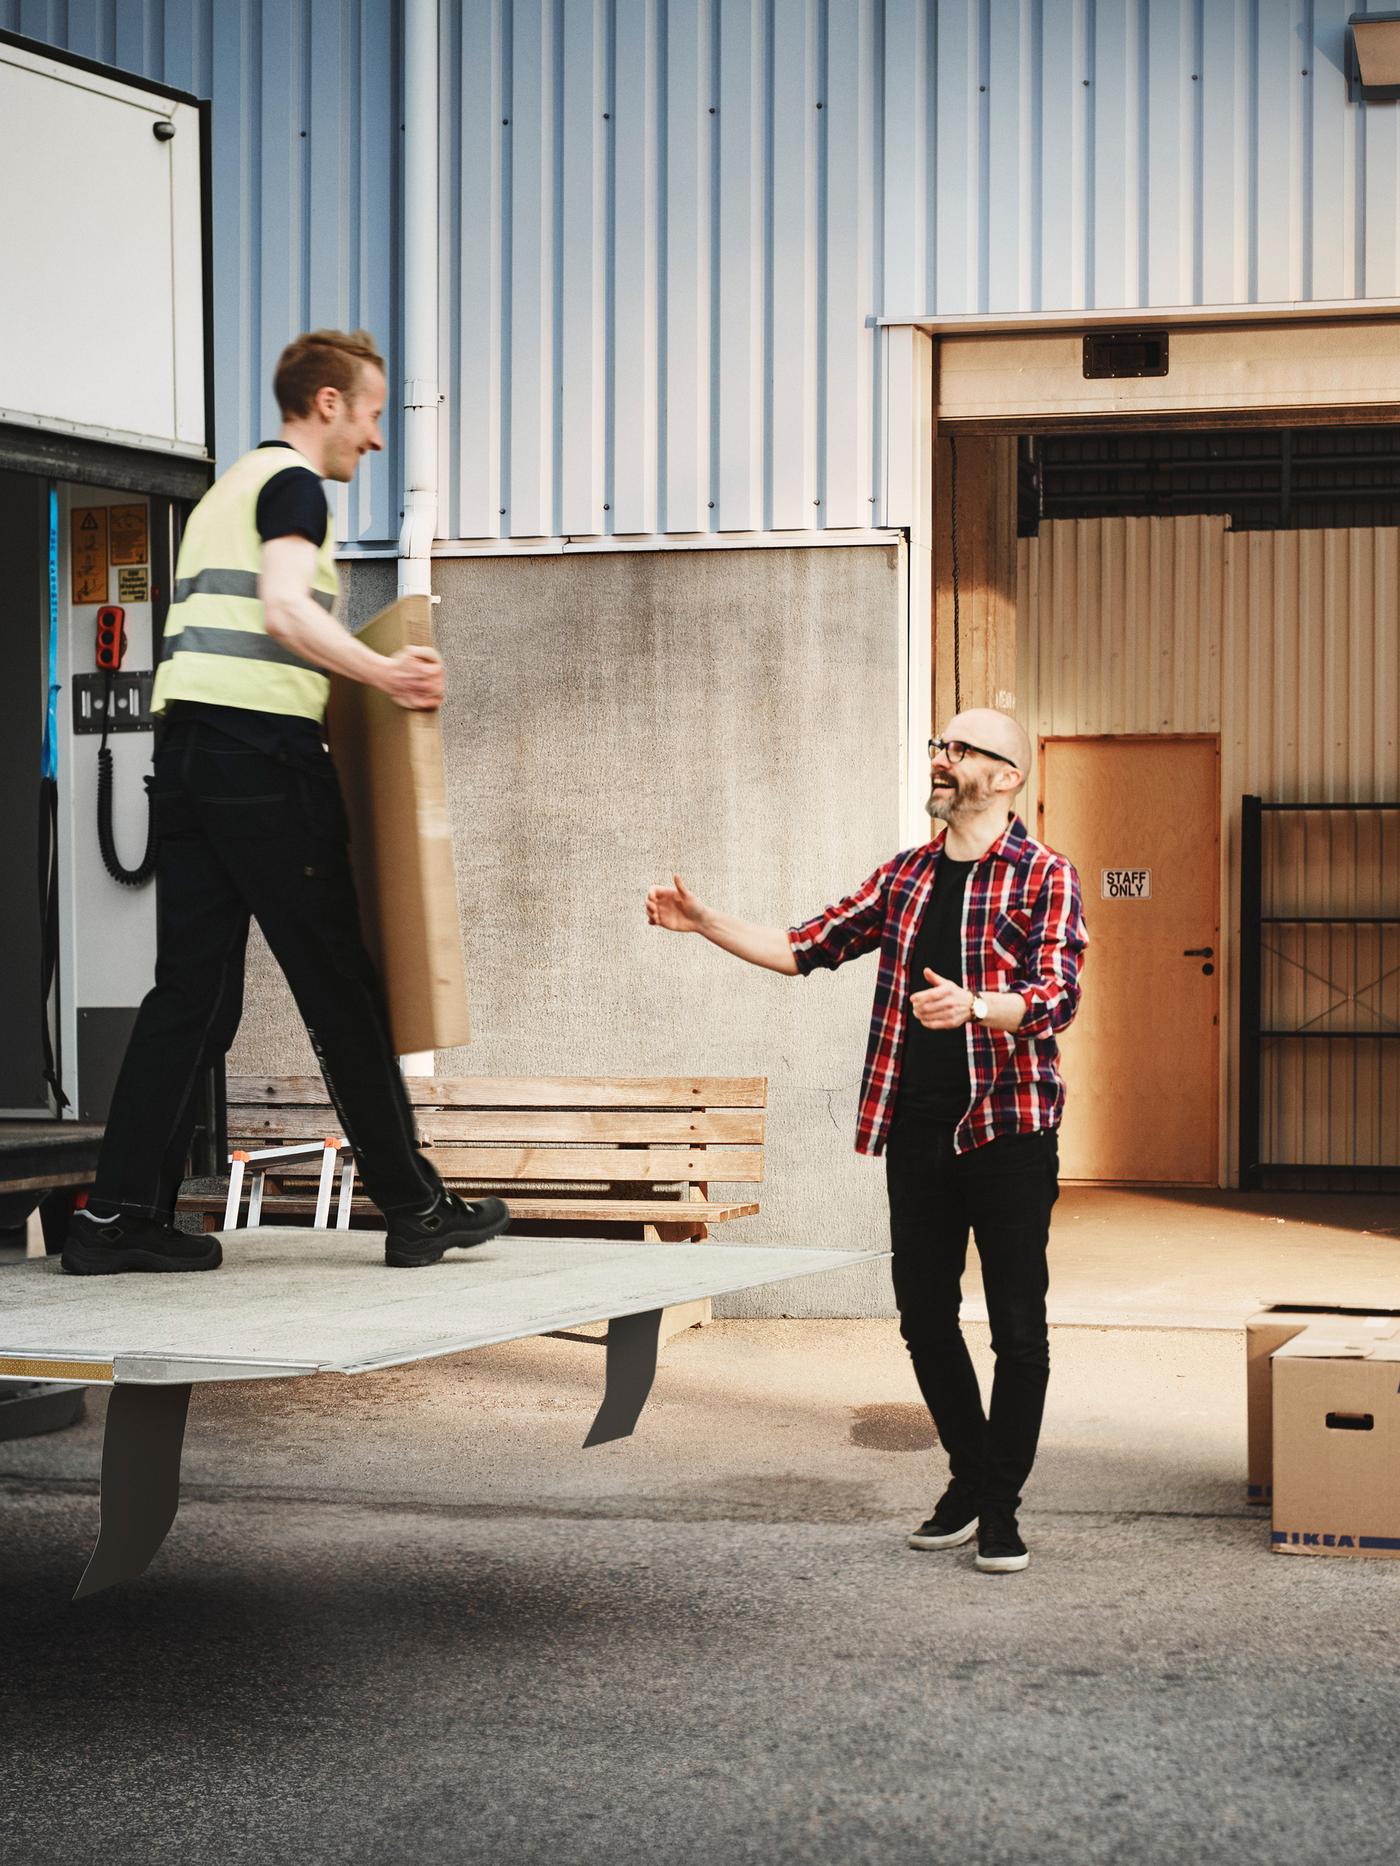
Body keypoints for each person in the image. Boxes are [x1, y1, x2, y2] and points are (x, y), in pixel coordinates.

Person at [63, 329, 509, 1276]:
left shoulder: (227, 490)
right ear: (327, 405)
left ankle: (115, 1218)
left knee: (192, 992)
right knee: (338, 984)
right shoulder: (294, 484)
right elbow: (285, 609)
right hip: (260, 760)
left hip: (184, 757)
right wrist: (387, 674)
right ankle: (417, 1207)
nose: (377, 439)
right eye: (374, 413)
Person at [646, 709, 1086, 1573]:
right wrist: (707, 923)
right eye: (937, 746)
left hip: (1008, 1133)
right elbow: (804, 947)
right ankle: (968, 1476)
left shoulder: (1044, 876)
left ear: (1005, 777)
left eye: (959, 751)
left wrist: (977, 1007)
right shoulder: (906, 876)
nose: (940, 759)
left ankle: (999, 1508)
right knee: (923, 1317)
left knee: (1018, 1332)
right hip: (916, 1134)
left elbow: (1057, 995)